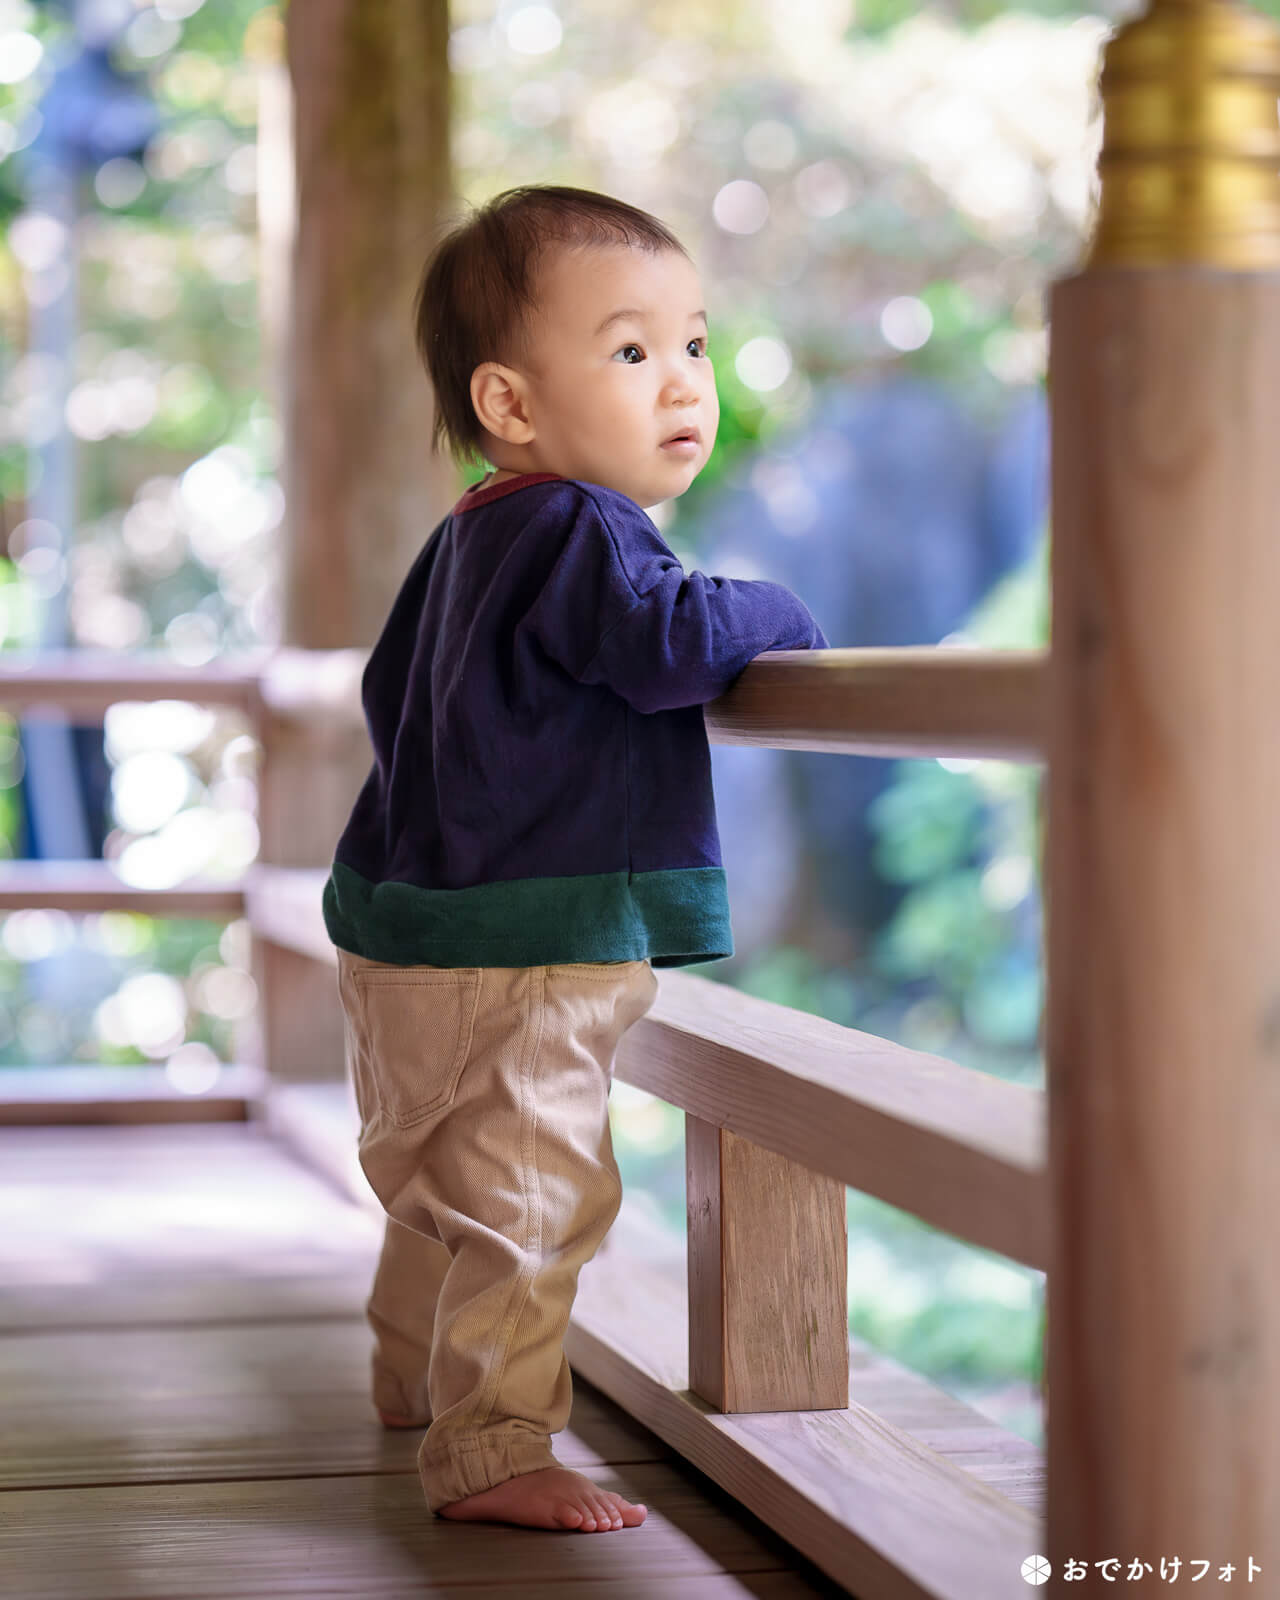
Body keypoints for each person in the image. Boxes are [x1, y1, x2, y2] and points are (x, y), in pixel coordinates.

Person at [323, 184, 829, 1533]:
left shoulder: (470, 538)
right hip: (523, 946)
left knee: (441, 1178)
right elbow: (671, 644)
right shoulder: (579, 528)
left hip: (411, 931)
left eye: (696, 346)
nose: (682, 381)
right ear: (509, 403)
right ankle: (492, 1448)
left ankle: (407, 1374)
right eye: (630, 350)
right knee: (533, 1195)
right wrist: (779, 607)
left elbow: (389, 700)